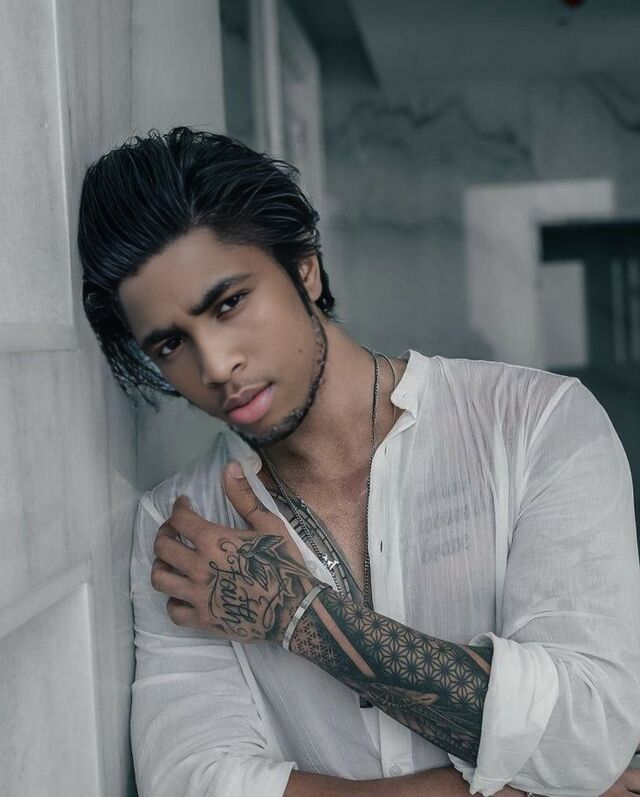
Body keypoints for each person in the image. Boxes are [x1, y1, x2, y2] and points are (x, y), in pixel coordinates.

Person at [78, 127, 640, 797]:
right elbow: (196, 783)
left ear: (305, 269)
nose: (216, 365)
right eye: (171, 344)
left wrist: (299, 616)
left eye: (229, 304)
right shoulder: (182, 531)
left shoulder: (535, 424)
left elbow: (587, 731)